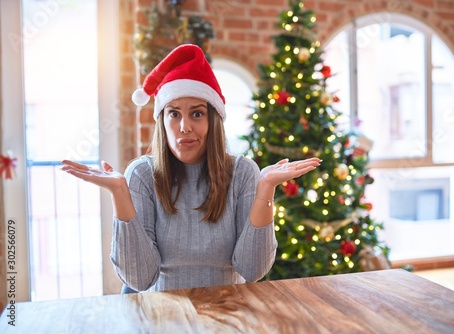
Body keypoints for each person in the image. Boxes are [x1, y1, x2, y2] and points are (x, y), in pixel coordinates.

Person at [61, 44, 321, 293]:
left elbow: (252, 270)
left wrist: (266, 187)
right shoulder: (141, 175)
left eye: (197, 114)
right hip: (161, 316)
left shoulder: (243, 172)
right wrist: (119, 193)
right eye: (174, 114)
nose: (184, 126)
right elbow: (139, 279)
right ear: (162, 121)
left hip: (229, 312)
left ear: (213, 120)